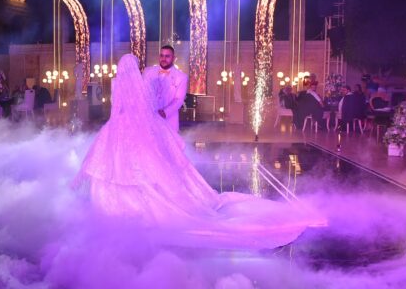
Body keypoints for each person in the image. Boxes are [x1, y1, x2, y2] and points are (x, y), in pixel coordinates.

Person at [73, 54, 325, 250]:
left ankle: (118, 210)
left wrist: (113, 128)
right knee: (148, 168)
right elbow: (145, 110)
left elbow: (116, 111)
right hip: (137, 128)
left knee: (118, 171)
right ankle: (134, 208)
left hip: (120, 128)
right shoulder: (140, 84)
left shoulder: (118, 84)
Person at [142, 45, 188, 132]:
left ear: (174, 58)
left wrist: (165, 112)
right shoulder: (147, 72)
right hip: (149, 119)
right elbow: (142, 92)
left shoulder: (181, 77)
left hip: (169, 121)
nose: (164, 59)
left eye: (167, 56)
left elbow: (178, 100)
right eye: (161, 55)